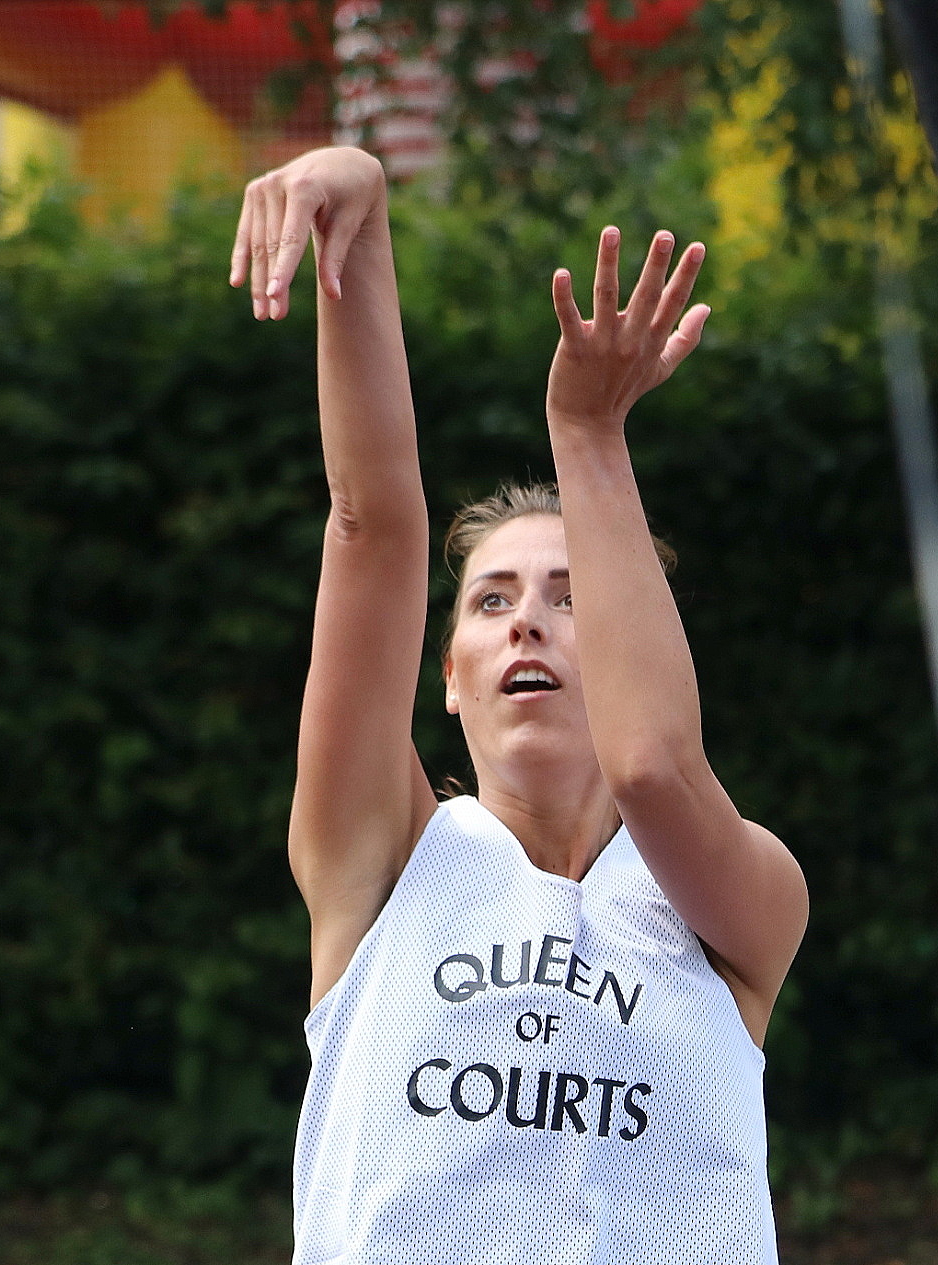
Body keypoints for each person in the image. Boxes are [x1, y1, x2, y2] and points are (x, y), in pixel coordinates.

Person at [229, 146, 808, 1265]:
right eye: (490, 600)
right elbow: (369, 526)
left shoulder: (739, 895)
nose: (524, 621)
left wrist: (590, 435)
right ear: (448, 674)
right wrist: (361, 208)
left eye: (568, 596)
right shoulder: (381, 858)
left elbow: (650, 767)